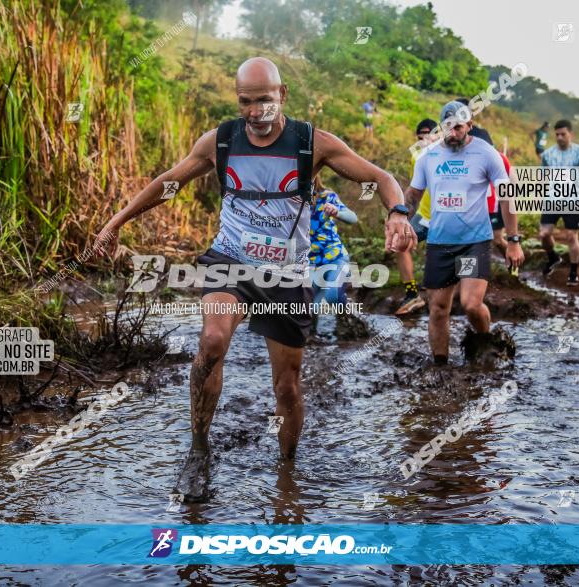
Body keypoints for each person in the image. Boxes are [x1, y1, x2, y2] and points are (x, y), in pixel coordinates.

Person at [96, 57, 415, 502]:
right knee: (211, 342)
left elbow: (380, 177)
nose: (256, 111)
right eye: (246, 102)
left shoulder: (311, 143)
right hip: (231, 261)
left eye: (264, 100)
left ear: (282, 95)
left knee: (286, 384)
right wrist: (117, 221)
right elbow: (169, 182)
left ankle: (287, 474)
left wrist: (397, 212)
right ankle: (200, 448)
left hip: (287, 275)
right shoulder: (220, 141)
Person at [409, 101, 524, 365]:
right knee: (438, 309)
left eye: (458, 127)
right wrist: (400, 217)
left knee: (471, 304)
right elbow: (413, 193)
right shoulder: (428, 157)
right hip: (440, 244)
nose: (453, 133)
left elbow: (507, 197)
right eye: (448, 127)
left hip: (473, 242)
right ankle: (440, 366)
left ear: (469, 126)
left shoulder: (485, 153)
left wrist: (513, 240)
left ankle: (486, 342)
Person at [538, 119, 579, 286]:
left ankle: (573, 272)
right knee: (544, 234)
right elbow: (543, 175)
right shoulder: (548, 154)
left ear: (571, 134)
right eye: (557, 135)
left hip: (573, 199)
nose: (560, 137)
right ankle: (553, 257)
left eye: (563, 134)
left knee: (571, 236)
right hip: (552, 199)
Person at [395, 118, 438, 315]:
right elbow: (415, 190)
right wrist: (402, 216)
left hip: (451, 220)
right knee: (400, 243)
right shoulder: (418, 157)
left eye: (429, 134)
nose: (424, 138)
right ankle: (412, 294)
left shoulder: (453, 152)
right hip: (426, 216)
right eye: (420, 136)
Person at [309, 173, 357, 308]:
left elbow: (353, 218)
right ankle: (314, 329)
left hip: (335, 257)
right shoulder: (290, 202)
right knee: (308, 309)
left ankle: (349, 315)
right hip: (310, 264)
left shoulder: (326, 197)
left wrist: (337, 212)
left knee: (332, 296)